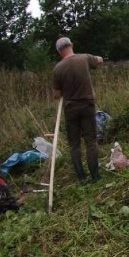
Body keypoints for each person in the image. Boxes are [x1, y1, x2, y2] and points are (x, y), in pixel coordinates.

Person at [52, 37, 104, 183]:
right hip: (87, 105)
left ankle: (81, 178)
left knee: (74, 144)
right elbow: (99, 60)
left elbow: (56, 95)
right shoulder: (85, 58)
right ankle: (95, 176)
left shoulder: (58, 69)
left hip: (71, 110)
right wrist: (98, 58)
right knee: (91, 142)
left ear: (59, 51)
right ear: (71, 45)